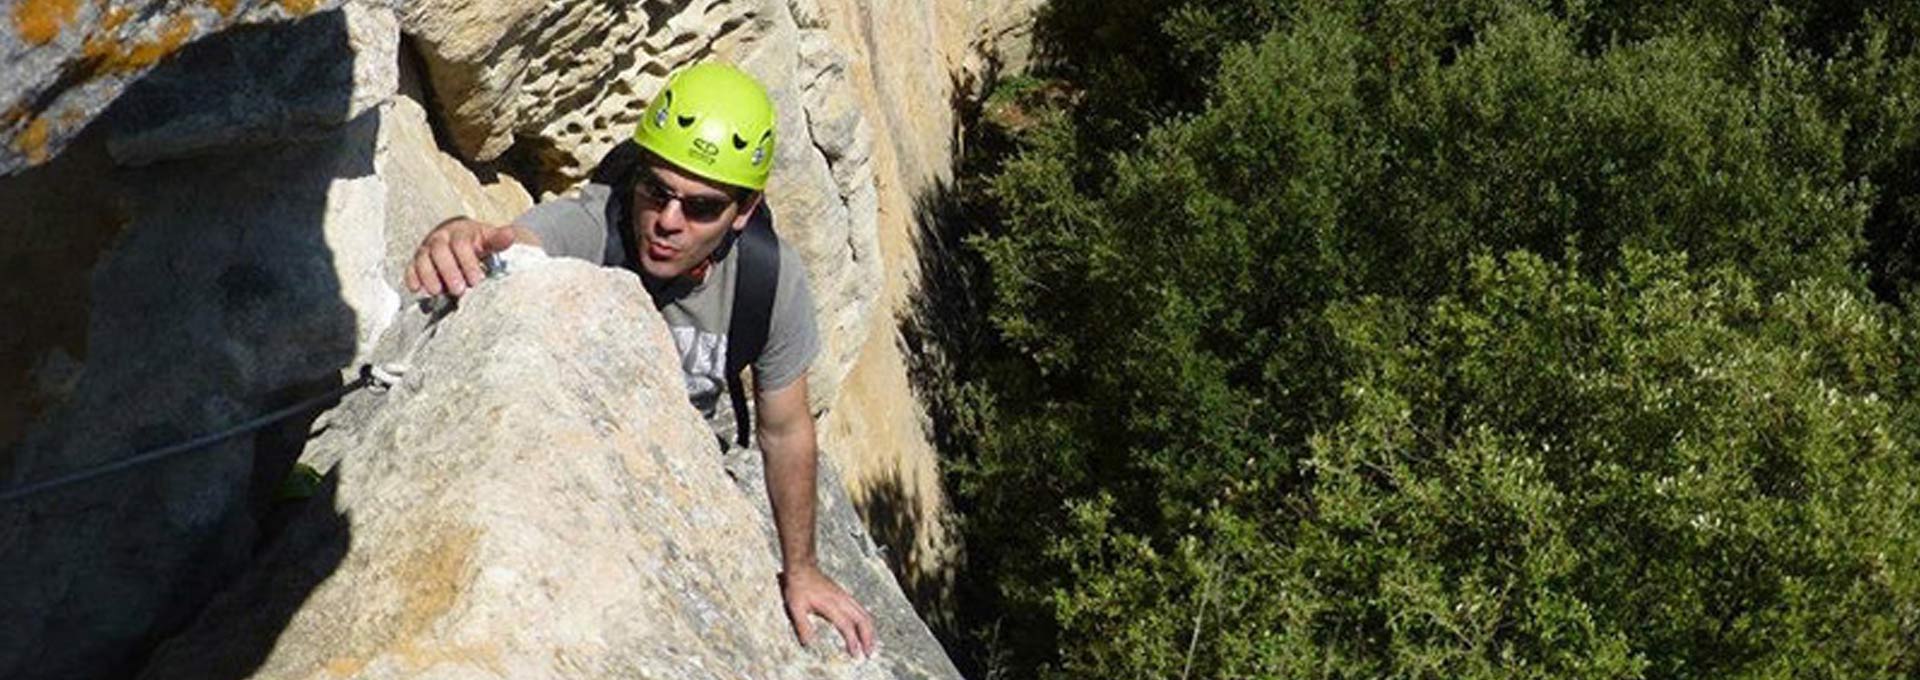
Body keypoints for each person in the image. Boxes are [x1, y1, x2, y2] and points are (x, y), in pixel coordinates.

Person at [402, 62, 877, 659]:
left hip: (673, 469)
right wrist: (456, 233)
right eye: (656, 191)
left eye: (702, 207)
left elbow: (786, 429)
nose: (668, 222)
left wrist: (802, 569)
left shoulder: (769, 280)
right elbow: (507, 247)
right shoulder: (591, 227)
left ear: (744, 211)